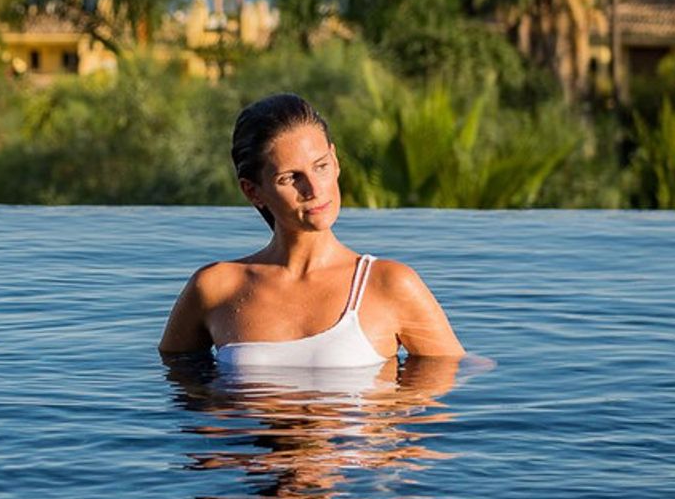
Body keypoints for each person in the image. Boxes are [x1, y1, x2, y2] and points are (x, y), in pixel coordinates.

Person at [158, 92, 465, 367]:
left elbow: (450, 382)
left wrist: (384, 421)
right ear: (253, 191)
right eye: (291, 178)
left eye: (321, 166)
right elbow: (178, 390)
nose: (314, 189)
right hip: (253, 432)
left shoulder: (390, 284)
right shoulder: (215, 287)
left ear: (335, 161)